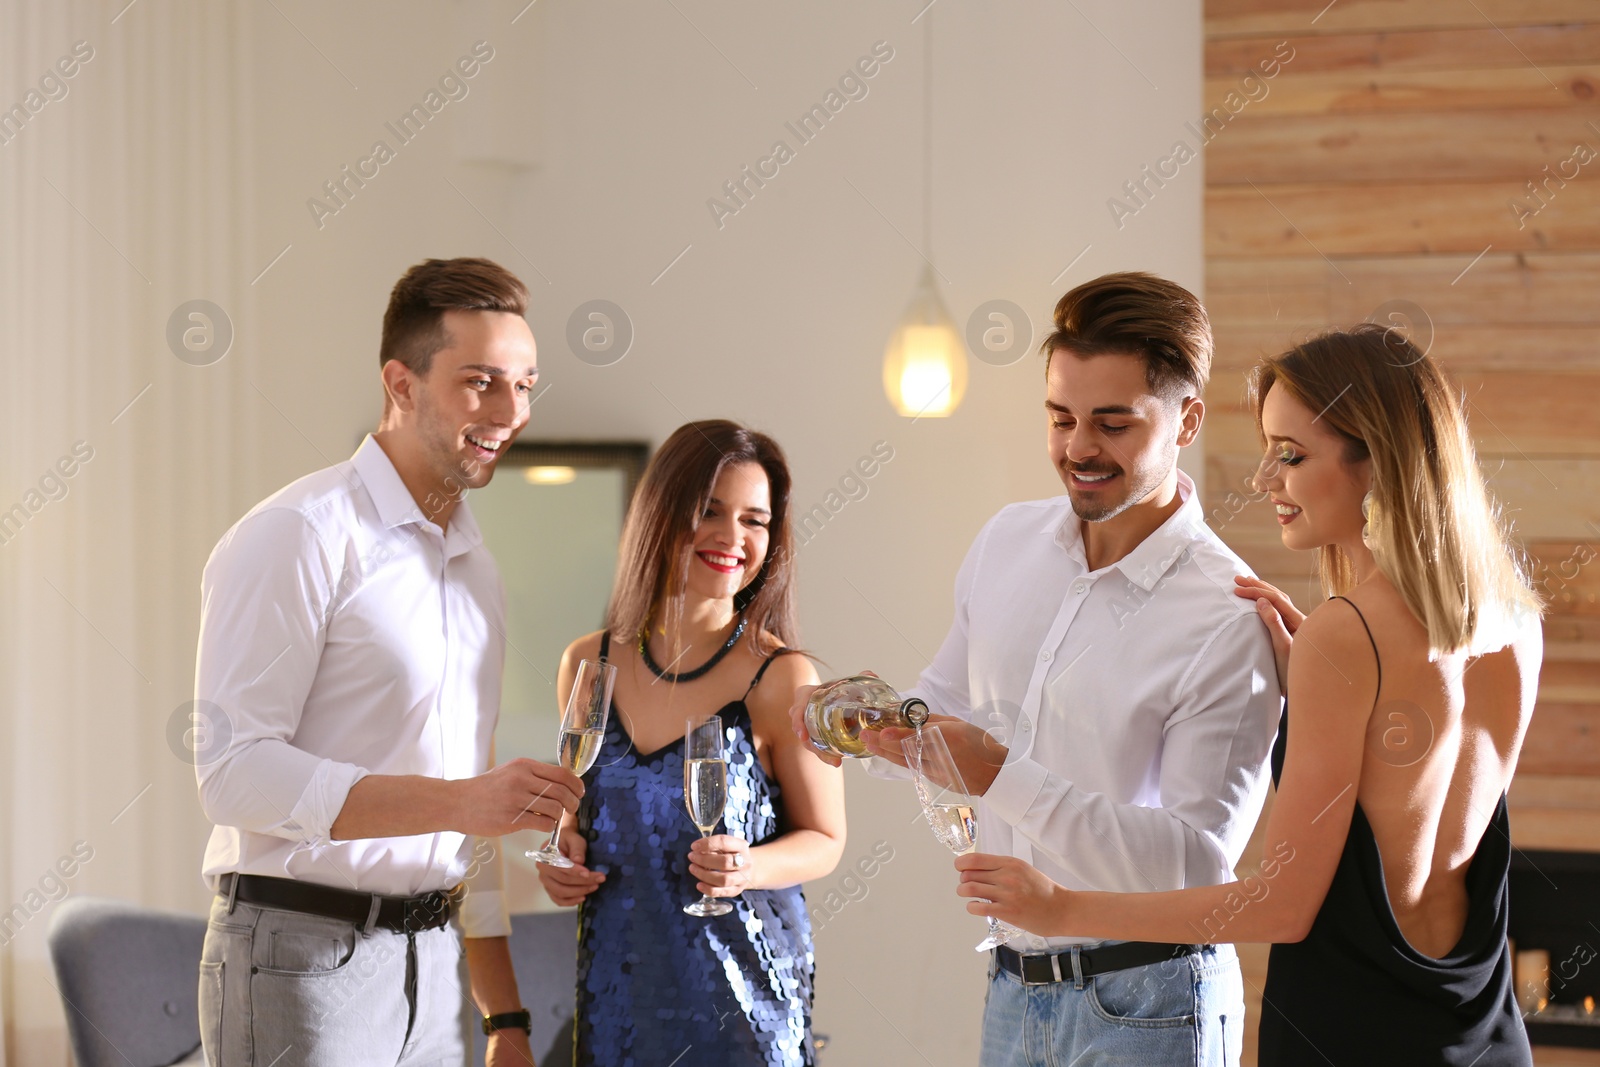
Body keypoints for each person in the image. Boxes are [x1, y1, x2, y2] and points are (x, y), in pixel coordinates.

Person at [958, 324, 1544, 1066]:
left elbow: (1281, 904)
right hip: (1484, 1030)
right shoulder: (1513, 620)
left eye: (1292, 455)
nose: (1266, 478)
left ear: (1379, 461)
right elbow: (1424, 806)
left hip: (1354, 1036)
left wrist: (1063, 905)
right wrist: (1321, 684)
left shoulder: (1347, 634)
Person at [792, 272, 1282, 1067]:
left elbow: (1197, 865)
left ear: (1186, 418)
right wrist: (854, 720)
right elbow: (939, 709)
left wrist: (999, 775)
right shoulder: (1006, 543)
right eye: (1061, 419)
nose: (1078, 448)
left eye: (1113, 424)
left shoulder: (1226, 615)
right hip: (1013, 988)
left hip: (1151, 1000)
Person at [193, 257, 583, 1066]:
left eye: (525, 383)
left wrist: (504, 1015)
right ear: (401, 384)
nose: (511, 409)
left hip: (434, 969)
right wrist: (463, 799)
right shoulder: (299, 533)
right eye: (480, 381)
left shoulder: (477, 569)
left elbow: (464, 821)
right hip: (301, 959)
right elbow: (231, 771)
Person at [537, 420, 845, 1066]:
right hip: (617, 1001)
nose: (733, 537)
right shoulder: (585, 664)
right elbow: (574, 818)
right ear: (662, 513)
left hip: (744, 1011)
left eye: (755, 520)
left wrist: (748, 867)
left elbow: (826, 839)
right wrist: (564, 856)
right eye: (710, 510)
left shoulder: (782, 676)